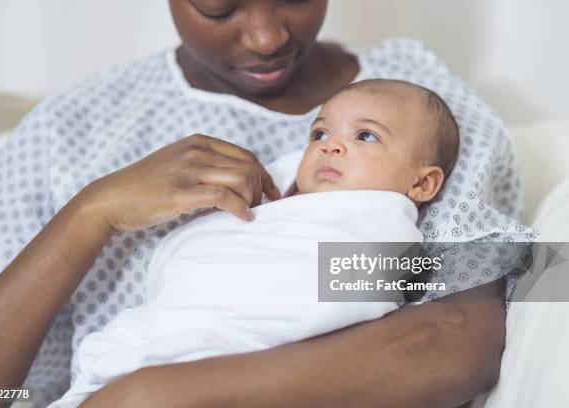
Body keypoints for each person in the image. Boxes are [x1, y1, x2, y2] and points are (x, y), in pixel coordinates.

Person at [0, 1, 534, 407]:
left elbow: (454, 339)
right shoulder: (70, 130)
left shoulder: (429, 115)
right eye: (220, 5)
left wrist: (155, 395)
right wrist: (93, 213)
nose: (266, 37)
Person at [50, 79, 460, 407]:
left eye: (366, 136)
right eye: (319, 132)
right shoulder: (278, 200)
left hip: (226, 366)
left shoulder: (382, 221)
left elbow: (397, 279)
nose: (329, 145)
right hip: (146, 345)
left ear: (422, 183)